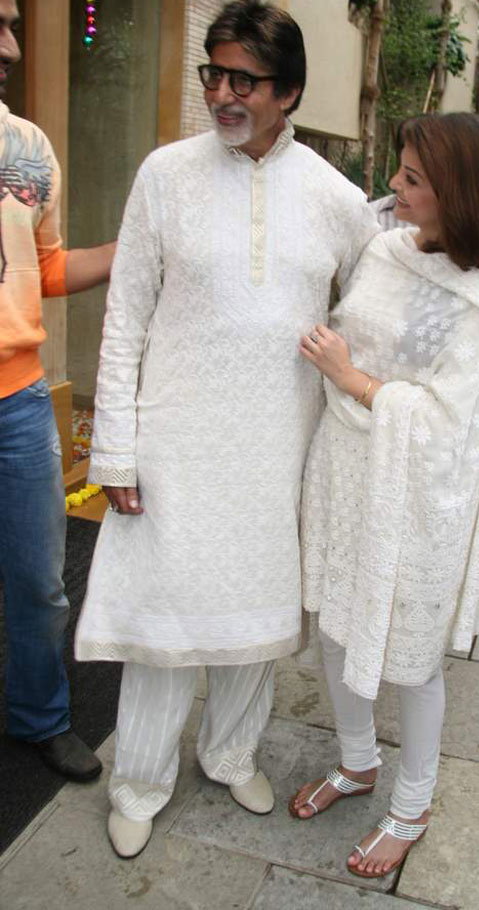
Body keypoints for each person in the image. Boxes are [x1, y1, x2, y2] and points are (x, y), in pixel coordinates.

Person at [74, 0, 378, 860]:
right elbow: (126, 317)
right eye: (213, 73)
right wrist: (115, 451)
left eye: (242, 78)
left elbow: (374, 305)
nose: (220, 92)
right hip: (176, 445)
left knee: (255, 613)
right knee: (165, 622)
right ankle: (138, 780)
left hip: (278, 446)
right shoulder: (164, 174)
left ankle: (230, 753)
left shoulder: (335, 197)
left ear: (287, 92)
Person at [289, 113, 479, 878]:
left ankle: (413, 803)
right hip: (344, 471)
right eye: (398, 172)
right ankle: (358, 760)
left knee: (411, 657)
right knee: (335, 624)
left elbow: (447, 422)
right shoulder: (386, 249)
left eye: (411, 180)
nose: (393, 189)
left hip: (412, 495)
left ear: (457, 194)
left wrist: (351, 378)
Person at [0, 0, 115, 781]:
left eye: (12, 24)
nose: (10, 46)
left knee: (41, 582)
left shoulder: (28, 147)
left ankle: (39, 717)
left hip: (19, 401)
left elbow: (42, 271)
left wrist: (134, 243)